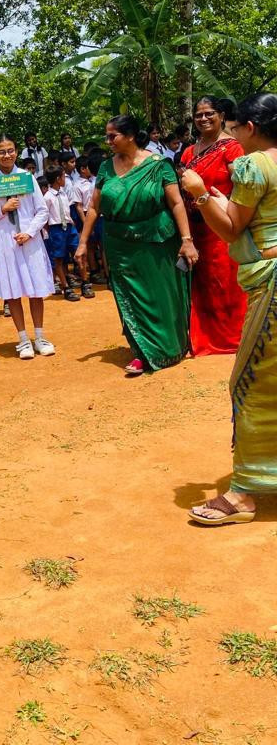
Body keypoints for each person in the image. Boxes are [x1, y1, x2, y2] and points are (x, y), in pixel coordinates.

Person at [181, 94, 277, 525]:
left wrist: (201, 195)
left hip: (271, 284)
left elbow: (232, 229)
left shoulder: (254, 164)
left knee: (250, 384)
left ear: (250, 128)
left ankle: (242, 494)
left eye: (236, 127)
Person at [75, 115, 197, 376]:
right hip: (119, 243)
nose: (108, 141)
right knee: (131, 295)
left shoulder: (159, 164)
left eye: (112, 136)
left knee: (161, 293)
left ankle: (170, 346)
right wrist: (83, 242)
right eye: (107, 136)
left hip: (157, 240)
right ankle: (142, 351)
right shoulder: (106, 167)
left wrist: (187, 241)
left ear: (130, 136)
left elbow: (176, 203)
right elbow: (94, 206)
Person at [180, 95, 247, 356]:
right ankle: (204, 336)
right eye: (199, 115)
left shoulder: (232, 148)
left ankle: (233, 337)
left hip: (221, 226)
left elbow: (242, 187)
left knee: (225, 281)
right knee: (203, 283)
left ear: (221, 116)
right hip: (195, 228)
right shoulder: (189, 151)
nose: (203, 118)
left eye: (209, 113)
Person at [0, 134, 55, 358]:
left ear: (16, 151)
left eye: (11, 150)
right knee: (12, 291)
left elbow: (42, 210)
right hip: (5, 241)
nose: (7, 155)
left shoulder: (26, 177)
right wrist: (3, 209)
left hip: (30, 240)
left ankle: (39, 336)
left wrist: (29, 232)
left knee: (36, 289)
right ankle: (23, 339)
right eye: (1, 152)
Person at [44, 167, 91, 301]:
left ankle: (85, 282)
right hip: (56, 229)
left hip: (69, 227)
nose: (65, 179)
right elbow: (45, 217)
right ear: (58, 179)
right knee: (58, 259)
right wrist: (50, 232)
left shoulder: (63, 194)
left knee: (79, 254)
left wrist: (72, 225)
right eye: (63, 176)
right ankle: (66, 288)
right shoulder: (47, 197)